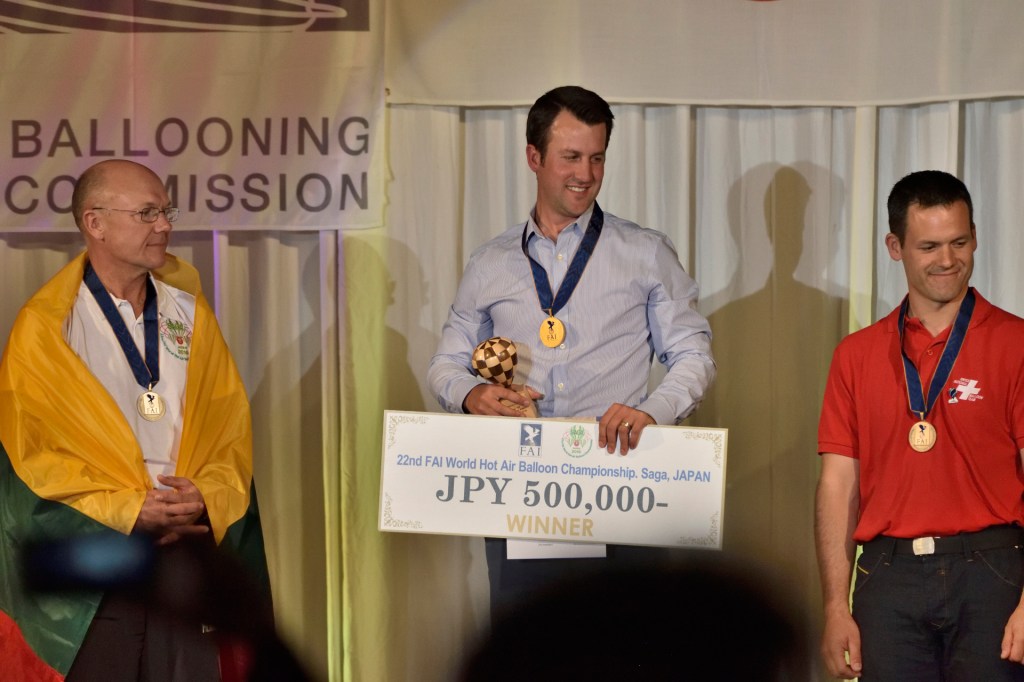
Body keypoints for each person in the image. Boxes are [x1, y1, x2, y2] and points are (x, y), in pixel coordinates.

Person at [428, 85, 715, 613]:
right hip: (522, 498)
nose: (586, 173)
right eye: (571, 157)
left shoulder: (646, 253)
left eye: (597, 157)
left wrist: (653, 411)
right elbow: (447, 363)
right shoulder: (490, 263)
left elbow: (693, 354)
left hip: (624, 490)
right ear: (534, 157)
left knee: (628, 648)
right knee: (527, 651)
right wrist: (471, 395)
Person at [0, 159, 269, 681]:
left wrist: (205, 495)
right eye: (146, 213)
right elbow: (34, 455)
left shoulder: (189, 313)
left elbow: (227, 433)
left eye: (166, 211)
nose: (164, 225)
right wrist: (128, 510)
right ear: (94, 223)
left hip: (184, 556)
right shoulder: (48, 326)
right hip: (96, 562)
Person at [816, 170, 1024, 680]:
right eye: (929, 246)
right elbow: (838, 485)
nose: (948, 259)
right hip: (888, 577)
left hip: (992, 571)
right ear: (895, 247)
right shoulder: (855, 355)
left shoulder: (1015, 342)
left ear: (975, 237)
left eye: (959, 242)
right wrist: (835, 606)